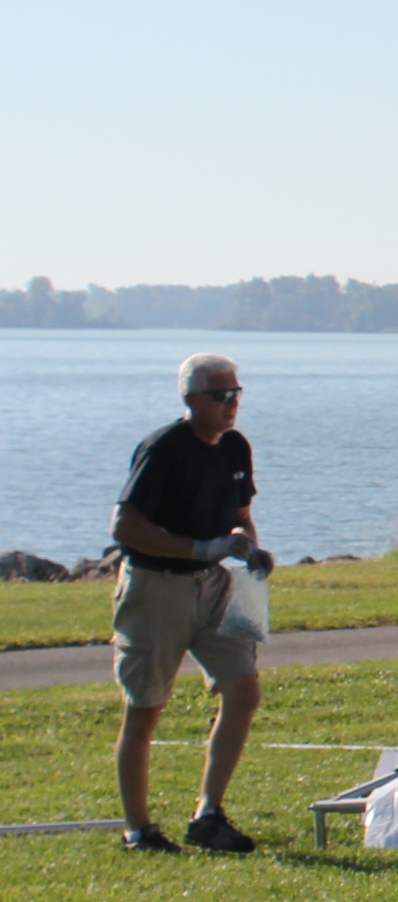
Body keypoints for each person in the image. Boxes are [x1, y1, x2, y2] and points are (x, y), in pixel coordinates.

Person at [109, 353, 273, 855]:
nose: (231, 404)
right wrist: (199, 548)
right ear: (190, 399)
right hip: (156, 587)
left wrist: (246, 544)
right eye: (220, 395)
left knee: (243, 690)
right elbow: (125, 527)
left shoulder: (235, 448)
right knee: (146, 709)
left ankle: (208, 813)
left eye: (236, 393)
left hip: (217, 586)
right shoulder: (163, 448)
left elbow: (241, 514)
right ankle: (140, 830)